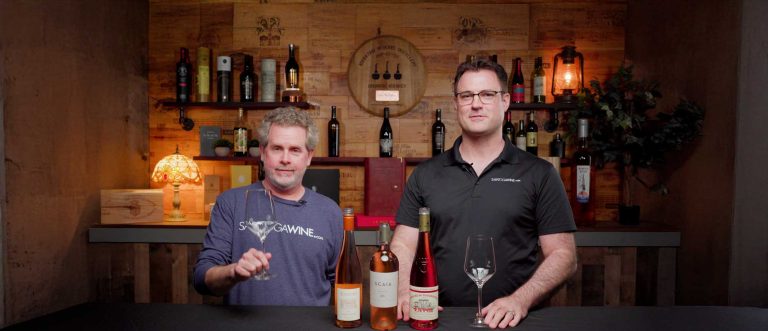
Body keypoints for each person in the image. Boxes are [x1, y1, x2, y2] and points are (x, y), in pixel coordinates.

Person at [390, 58, 577, 328]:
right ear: (456, 104)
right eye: (466, 96)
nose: (476, 103)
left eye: (487, 95)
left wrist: (519, 300)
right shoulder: (426, 175)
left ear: (505, 101)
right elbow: (404, 244)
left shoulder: (539, 174)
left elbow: (563, 255)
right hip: (436, 319)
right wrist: (404, 291)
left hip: (512, 322)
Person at [193, 107, 343, 306]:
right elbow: (202, 278)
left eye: (295, 150)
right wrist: (233, 271)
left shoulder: (330, 212)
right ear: (263, 153)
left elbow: (344, 281)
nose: (285, 159)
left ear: (308, 157)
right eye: (277, 148)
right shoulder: (231, 202)